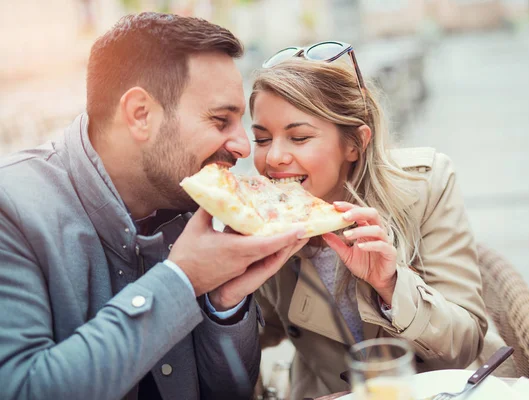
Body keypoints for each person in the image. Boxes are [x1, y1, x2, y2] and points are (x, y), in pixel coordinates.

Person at [0, 13, 308, 400]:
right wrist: (182, 280)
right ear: (140, 115)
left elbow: (232, 391)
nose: (244, 146)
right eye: (220, 120)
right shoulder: (11, 207)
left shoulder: (195, 205)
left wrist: (223, 306)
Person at [249, 43, 491, 399]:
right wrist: (226, 288)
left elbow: (465, 343)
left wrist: (392, 286)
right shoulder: (259, 220)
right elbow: (255, 335)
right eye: (261, 139)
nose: (274, 156)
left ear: (355, 143)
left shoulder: (426, 185)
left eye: (299, 137)